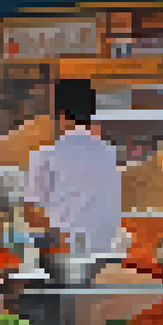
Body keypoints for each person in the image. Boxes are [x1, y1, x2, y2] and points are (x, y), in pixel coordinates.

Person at [21, 80, 122, 254]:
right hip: (105, 253)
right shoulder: (109, 153)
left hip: (65, 257)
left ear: (60, 115)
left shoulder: (46, 155)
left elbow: (31, 216)